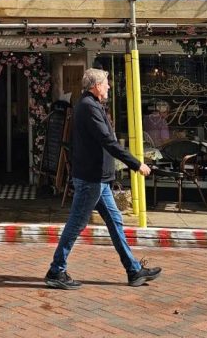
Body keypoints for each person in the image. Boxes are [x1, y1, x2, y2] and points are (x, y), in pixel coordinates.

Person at [45, 68, 162, 290]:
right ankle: (56, 270)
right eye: (106, 83)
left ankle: (133, 270)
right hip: (92, 179)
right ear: (96, 85)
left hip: (99, 179)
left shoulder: (92, 105)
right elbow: (108, 141)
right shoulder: (89, 107)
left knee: (115, 221)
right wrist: (136, 164)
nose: (109, 86)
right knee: (76, 223)